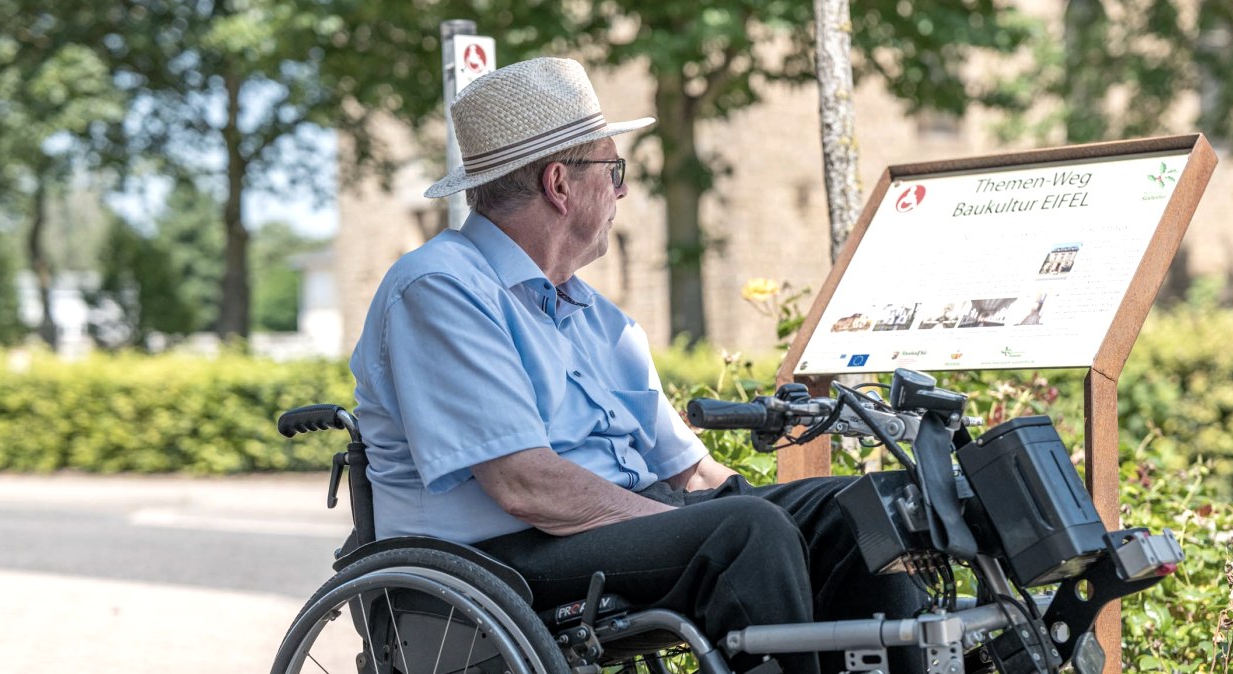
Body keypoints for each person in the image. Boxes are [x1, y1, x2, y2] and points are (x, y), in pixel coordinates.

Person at [348, 57, 921, 674]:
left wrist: (760, 507)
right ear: (560, 184)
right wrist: (697, 523)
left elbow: (694, 474)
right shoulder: (440, 287)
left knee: (860, 513)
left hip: (598, 533)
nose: (623, 189)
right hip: (494, 560)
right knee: (747, 535)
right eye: (613, 169)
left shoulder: (595, 314)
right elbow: (525, 485)